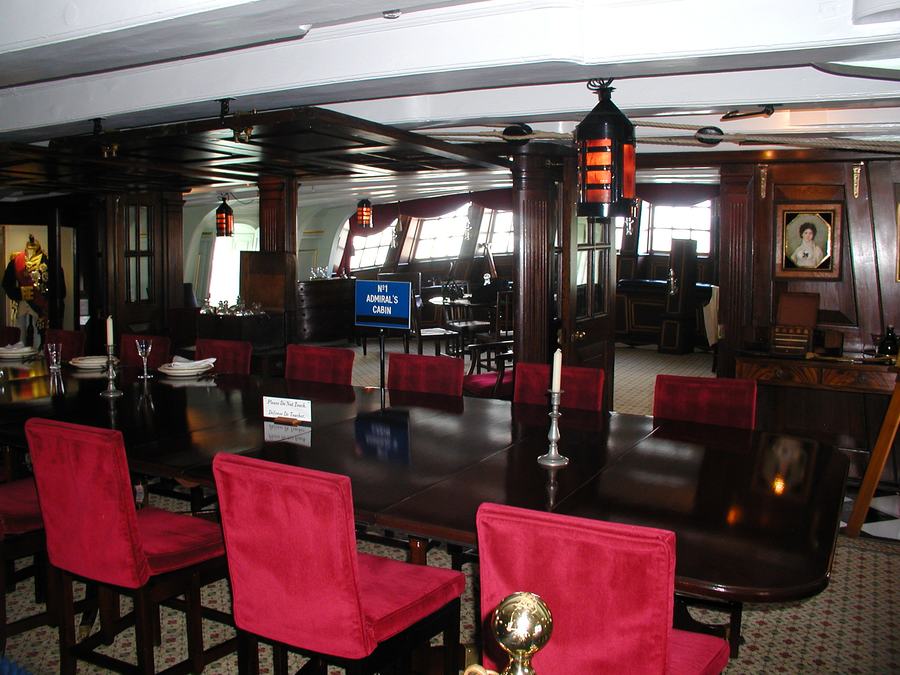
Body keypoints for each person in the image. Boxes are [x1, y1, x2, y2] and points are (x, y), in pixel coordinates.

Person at [2, 234, 60, 349]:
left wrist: (46, 299)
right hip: (22, 302)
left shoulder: (47, 261)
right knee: (19, 332)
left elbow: (57, 286)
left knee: (39, 333)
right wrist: (19, 293)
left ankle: (39, 354)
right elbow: (7, 284)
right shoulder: (16, 261)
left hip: (40, 303)